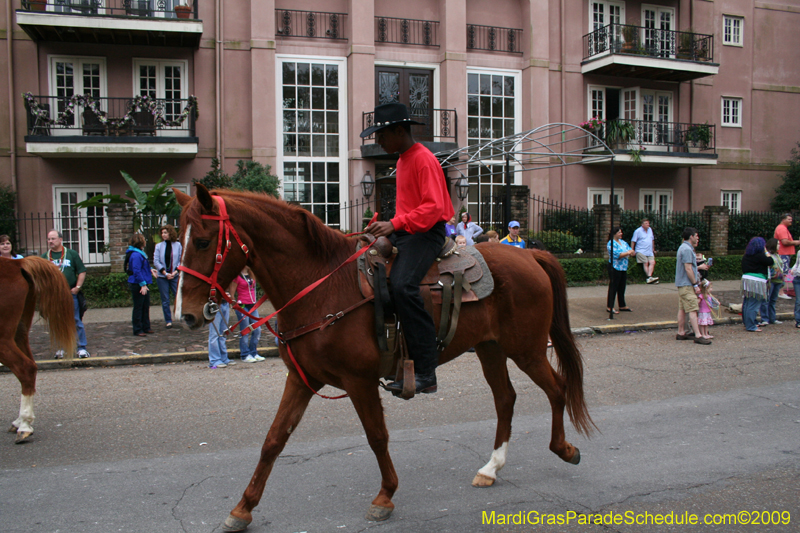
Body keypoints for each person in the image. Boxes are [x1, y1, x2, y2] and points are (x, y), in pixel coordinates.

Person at [361, 102, 455, 395]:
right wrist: (387, 226)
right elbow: (410, 209)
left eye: (381, 135)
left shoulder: (423, 159)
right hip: (409, 231)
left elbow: (434, 208)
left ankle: (426, 371)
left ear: (400, 131)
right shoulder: (402, 159)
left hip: (427, 232)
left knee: (403, 285)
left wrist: (395, 224)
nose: (378, 141)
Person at [43, 229, 90, 358]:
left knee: (75, 320)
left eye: (53, 238)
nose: (51, 241)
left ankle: (81, 347)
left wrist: (78, 287)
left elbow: (81, 271)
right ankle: (61, 348)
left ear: (60, 239)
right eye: (49, 239)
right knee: (57, 322)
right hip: (53, 295)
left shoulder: (71, 254)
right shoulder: (45, 257)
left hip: (70, 293)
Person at [675, 227, 712, 345]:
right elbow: (688, 268)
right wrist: (695, 284)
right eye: (696, 236)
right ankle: (698, 335)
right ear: (691, 237)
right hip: (687, 284)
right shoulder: (686, 249)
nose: (697, 238)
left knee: (682, 308)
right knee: (693, 309)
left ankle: (681, 332)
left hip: (682, 284)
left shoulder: (684, 248)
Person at [151, 225, 182, 329]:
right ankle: (168, 320)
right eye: (162, 233)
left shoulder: (178, 245)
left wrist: (175, 272)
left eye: (165, 232)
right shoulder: (159, 246)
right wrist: (164, 273)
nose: (163, 235)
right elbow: (156, 260)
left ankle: (181, 315)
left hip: (175, 275)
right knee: (165, 299)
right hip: (162, 276)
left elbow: (181, 260)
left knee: (177, 296)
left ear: (170, 233)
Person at [741, 236, 773, 332]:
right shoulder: (760, 256)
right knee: (754, 303)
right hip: (757, 281)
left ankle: (747, 322)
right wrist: (766, 251)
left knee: (747, 302)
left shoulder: (746, 256)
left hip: (746, 279)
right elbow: (770, 261)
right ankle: (751, 325)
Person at [234, 266, 264, 363]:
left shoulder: (251, 275)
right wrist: (234, 304)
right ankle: (245, 354)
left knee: (257, 329)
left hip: (252, 305)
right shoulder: (237, 277)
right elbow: (232, 291)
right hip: (242, 306)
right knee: (245, 330)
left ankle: (253, 352)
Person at [126, 233, 154, 337]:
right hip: (138, 283)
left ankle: (146, 326)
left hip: (142, 283)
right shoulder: (136, 255)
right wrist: (142, 285)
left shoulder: (139, 253)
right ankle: (138, 329)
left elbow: (143, 267)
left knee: (145, 306)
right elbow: (136, 271)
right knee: (139, 307)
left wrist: (151, 270)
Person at [208, 281, 237, 369]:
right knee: (214, 333)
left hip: (225, 302)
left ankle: (224, 358)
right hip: (215, 304)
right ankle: (214, 359)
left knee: (223, 332)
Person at [606, 227, 635, 314]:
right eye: (619, 232)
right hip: (615, 267)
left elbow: (630, 250)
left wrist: (631, 252)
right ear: (614, 234)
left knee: (622, 286)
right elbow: (617, 255)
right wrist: (627, 253)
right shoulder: (611, 243)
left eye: (621, 232)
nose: (621, 234)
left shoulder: (623, 242)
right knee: (613, 287)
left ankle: (622, 305)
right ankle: (610, 306)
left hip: (623, 267)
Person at [759, 238, 784, 326]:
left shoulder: (777, 255)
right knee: (766, 300)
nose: (779, 246)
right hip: (771, 280)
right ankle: (764, 318)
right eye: (778, 244)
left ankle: (772, 318)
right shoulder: (768, 255)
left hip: (778, 280)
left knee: (773, 300)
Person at [774, 214, 799, 299]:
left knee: (783, 273)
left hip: (784, 253)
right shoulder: (782, 228)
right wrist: (796, 242)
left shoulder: (782, 228)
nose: (791, 221)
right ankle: (780, 292)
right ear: (783, 219)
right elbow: (785, 242)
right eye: (789, 219)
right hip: (783, 253)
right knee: (783, 273)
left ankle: (779, 291)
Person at [631, 218, 658, 284]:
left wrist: (653, 249)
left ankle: (649, 278)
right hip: (640, 250)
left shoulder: (650, 230)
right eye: (646, 223)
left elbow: (652, 240)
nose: (648, 225)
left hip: (649, 251)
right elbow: (633, 241)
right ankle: (650, 277)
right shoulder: (638, 231)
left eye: (648, 223)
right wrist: (632, 250)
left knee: (652, 262)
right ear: (642, 225)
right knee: (645, 262)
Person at [791, 251, 800, 328]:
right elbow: (797, 263)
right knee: (798, 300)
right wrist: (793, 269)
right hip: (797, 278)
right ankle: (798, 321)